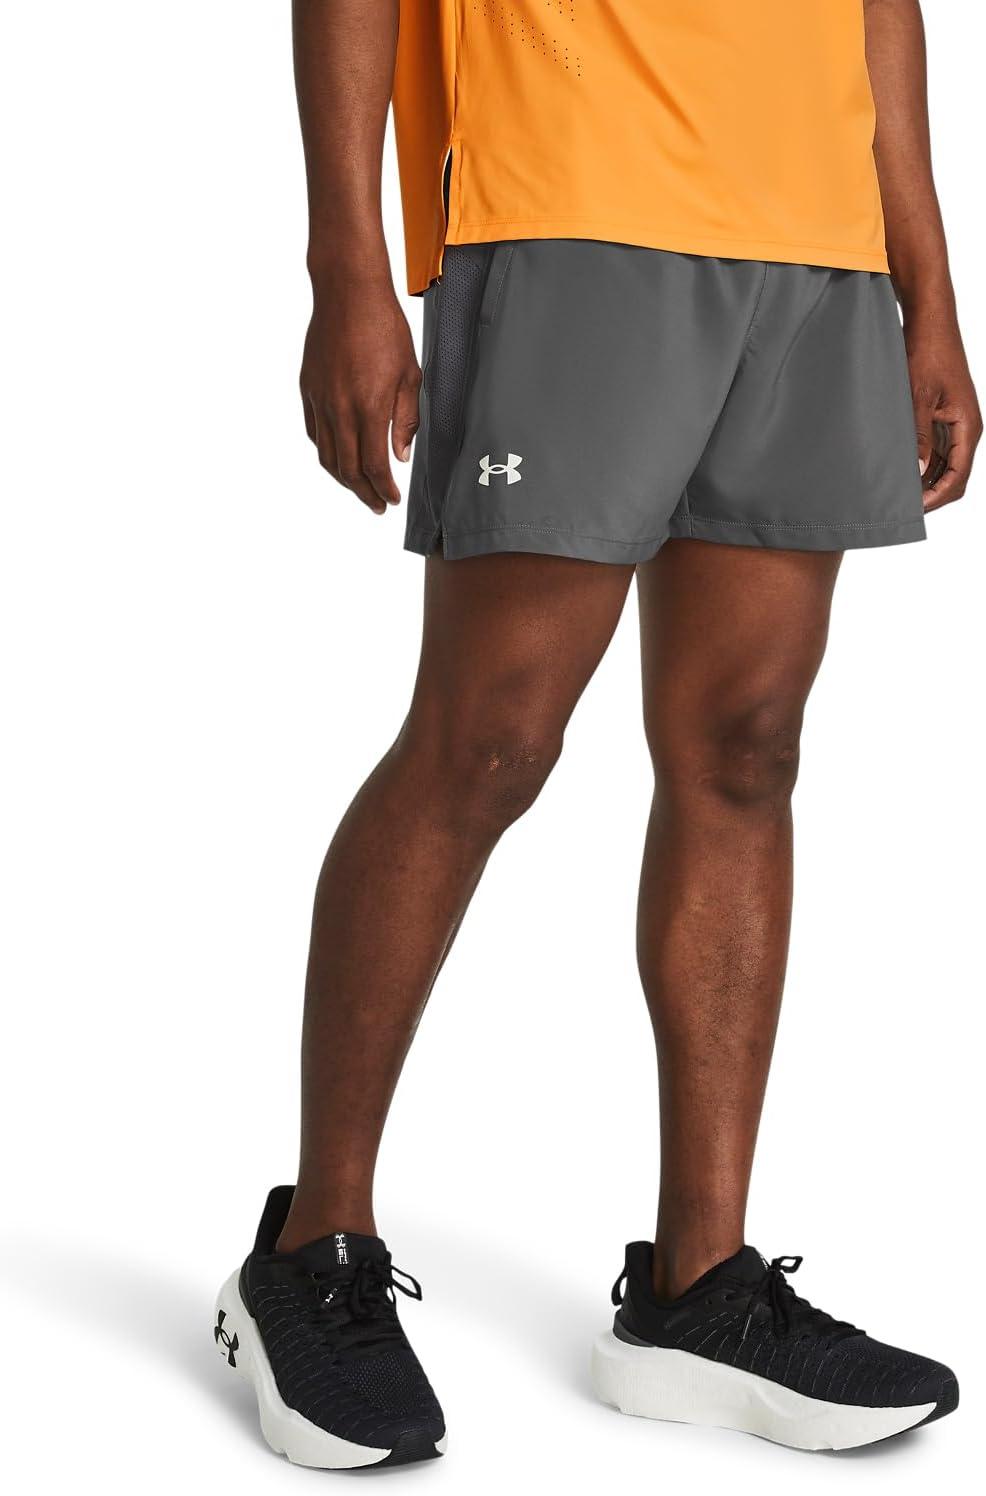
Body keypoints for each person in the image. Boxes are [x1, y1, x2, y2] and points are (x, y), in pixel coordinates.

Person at [213, 0, 979, 1465]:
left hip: (815, 240)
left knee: (746, 746)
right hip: (568, 205)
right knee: (488, 740)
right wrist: (346, 267)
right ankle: (311, 1249)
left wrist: (924, 282)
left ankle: (699, 1286)